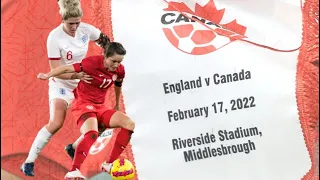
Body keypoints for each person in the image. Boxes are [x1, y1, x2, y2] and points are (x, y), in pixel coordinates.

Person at [20, 0, 111, 177]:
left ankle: (74, 147)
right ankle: (29, 162)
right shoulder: (55, 38)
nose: (75, 27)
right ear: (63, 19)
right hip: (61, 83)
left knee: (102, 122)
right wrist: (76, 75)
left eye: (77, 22)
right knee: (56, 122)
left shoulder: (86, 29)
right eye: (71, 23)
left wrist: (105, 62)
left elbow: (107, 43)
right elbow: (55, 71)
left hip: (83, 84)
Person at [37, 42, 135, 179]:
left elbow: (118, 84)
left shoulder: (120, 70)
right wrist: (48, 75)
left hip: (100, 107)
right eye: (113, 61)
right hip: (83, 104)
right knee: (92, 133)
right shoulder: (92, 63)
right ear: (105, 56)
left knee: (129, 124)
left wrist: (117, 104)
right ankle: (73, 171)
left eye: (119, 62)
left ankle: (108, 164)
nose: (116, 65)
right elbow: (66, 69)